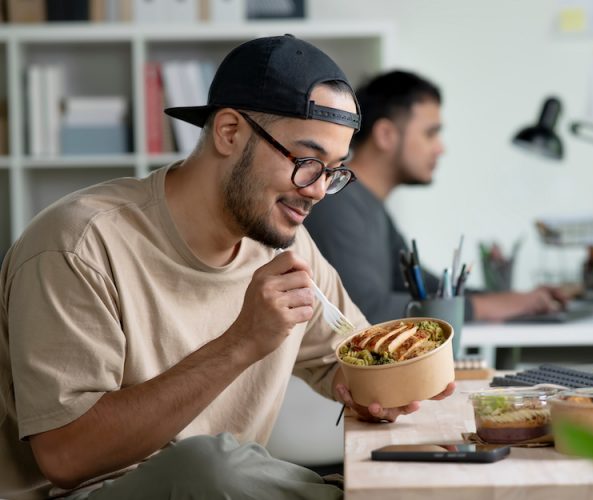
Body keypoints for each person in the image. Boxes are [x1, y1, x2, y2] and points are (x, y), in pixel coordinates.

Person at [0, 37, 454, 500]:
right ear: (230, 132)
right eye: (307, 161)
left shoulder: (284, 242)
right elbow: (65, 456)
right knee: (208, 465)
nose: (318, 190)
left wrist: (385, 386)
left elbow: (346, 358)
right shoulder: (78, 244)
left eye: (334, 171)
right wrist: (242, 342)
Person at [305, 70, 569, 325]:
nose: (440, 148)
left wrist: (512, 299)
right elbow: (366, 310)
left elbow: (429, 289)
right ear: (386, 134)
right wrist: (486, 307)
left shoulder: (370, 207)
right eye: (430, 133)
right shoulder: (337, 202)